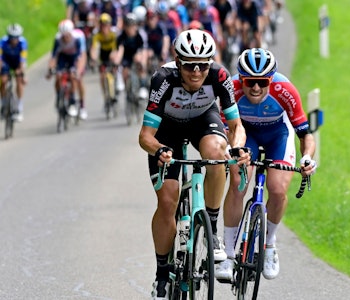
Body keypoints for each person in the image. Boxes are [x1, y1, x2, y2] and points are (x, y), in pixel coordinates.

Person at [138, 29, 250, 299]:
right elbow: (145, 137)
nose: (197, 71)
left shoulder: (219, 76)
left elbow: (236, 126)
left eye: (203, 64)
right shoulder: (163, 79)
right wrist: (160, 149)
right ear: (178, 62)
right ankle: (162, 273)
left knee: (216, 151)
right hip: (168, 129)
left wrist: (237, 148)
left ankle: (211, 228)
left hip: (203, 120)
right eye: (189, 65)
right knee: (167, 202)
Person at [215, 48, 317, 281]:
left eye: (263, 82)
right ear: (241, 79)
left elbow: (305, 135)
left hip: (277, 136)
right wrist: (230, 151)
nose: (256, 88)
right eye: (250, 81)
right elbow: (224, 130)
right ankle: (229, 256)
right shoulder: (231, 90)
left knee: (278, 189)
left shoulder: (285, 90)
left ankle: (269, 245)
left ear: (272, 80)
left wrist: (308, 157)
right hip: (245, 135)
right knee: (238, 184)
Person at [46, 19, 88, 120]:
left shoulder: (78, 37)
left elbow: (82, 56)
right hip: (63, 57)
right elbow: (53, 57)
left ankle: (79, 105)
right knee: (58, 76)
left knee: (76, 79)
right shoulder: (58, 39)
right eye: (63, 35)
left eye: (67, 35)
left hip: (75, 58)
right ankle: (59, 96)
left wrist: (78, 71)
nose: (65, 37)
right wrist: (50, 70)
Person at [0, 24, 28, 122]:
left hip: (17, 62)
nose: (14, 40)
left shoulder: (23, 42)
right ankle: (3, 104)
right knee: (3, 81)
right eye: (12, 37)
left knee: (19, 80)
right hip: (6, 61)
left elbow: (23, 59)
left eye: (16, 37)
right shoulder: (2, 42)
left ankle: (19, 109)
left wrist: (21, 73)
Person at [90, 13, 118, 106]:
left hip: (112, 53)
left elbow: (116, 47)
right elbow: (94, 48)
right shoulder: (97, 34)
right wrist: (93, 59)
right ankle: (105, 95)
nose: (104, 28)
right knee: (102, 76)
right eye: (102, 25)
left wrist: (115, 56)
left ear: (109, 25)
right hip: (103, 55)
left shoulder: (113, 33)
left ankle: (116, 87)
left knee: (115, 69)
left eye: (106, 25)